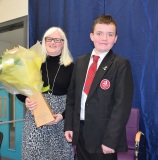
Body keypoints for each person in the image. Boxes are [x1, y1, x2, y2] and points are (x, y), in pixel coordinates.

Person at [64, 14, 134, 160]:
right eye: (99, 33)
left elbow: (122, 107)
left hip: (104, 138)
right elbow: (72, 97)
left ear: (116, 38)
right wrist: (69, 126)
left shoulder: (120, 64)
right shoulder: (80, 61)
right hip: (80, 133)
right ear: (91, 36)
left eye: (110, 34)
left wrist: (110, 140)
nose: (104, 38)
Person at [17, 27, 75, 160]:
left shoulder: (72, 67)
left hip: (60, 122)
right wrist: (26, 99)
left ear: (63, 43)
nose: (53, 42)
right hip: (35, 122)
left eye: (57, 39)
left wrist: (62, 116)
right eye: (49, 39)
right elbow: (20, 90)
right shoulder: (33, 63)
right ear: (44, 41)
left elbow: (75, 98)